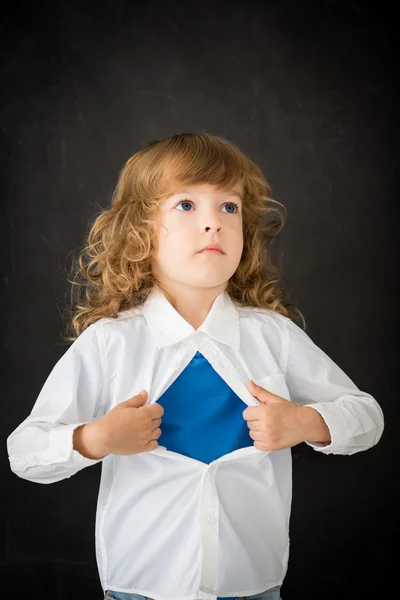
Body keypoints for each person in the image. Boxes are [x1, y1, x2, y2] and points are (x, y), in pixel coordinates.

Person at [7, 133, 384, 600]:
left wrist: (307, 422)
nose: (214, 225)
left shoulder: (273, 336)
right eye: (186, 205)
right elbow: (24, 453)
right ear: (140, 232)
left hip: (254, 583)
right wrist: (94, 439)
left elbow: (368, 418)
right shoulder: (110, 344)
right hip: (140, 586)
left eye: (229, 208)